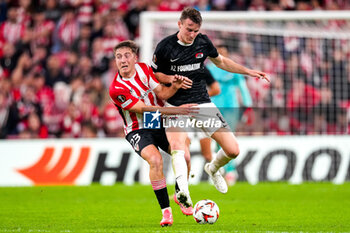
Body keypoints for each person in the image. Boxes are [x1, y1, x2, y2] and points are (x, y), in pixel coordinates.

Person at [151, 8, 269, 202]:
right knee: (177, 146)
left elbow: (221, 61)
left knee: (233, 150)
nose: (192, 34)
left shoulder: (203, 41)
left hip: (202, 103)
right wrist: (172, 78)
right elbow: (154, 74)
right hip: (175, 105)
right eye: (189, 29)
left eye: (196, 30)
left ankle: (212, 169)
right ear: (179, 24)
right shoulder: (165, 46)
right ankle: (182, 190)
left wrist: (248, 71)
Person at [109, 40, 195, 227]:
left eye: (126, 55)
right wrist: (178, 111)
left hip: (158, 119)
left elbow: (162, 95)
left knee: (185, 155)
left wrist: (174, 86)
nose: (122, 60)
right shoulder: (117, 89)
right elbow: (145, 110)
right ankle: (166, 212)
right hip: (137, 127)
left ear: (135, 57)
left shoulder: (144, 69)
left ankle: (180, 194)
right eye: (118, 57)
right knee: (155, 160)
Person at [207, 44, 254, 185]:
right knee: (216, 141)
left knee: (229, 138)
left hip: (231, 107)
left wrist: (248, 104)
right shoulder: (208, 68)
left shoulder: (231, 69)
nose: (221, 54)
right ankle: (218, 170)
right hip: (213, 108)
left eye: (223, 52)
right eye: (219, 52)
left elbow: (242, 87)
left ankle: (231, 171)